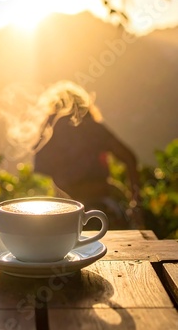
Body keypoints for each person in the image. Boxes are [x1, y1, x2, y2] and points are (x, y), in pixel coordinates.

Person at [33, 81, 144, 229]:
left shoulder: (56, 133)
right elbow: (129, 158)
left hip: (68, 211)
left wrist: (46, 129)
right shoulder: (95, 129)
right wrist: (135, 199)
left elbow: (41, 163)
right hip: (103, 207)